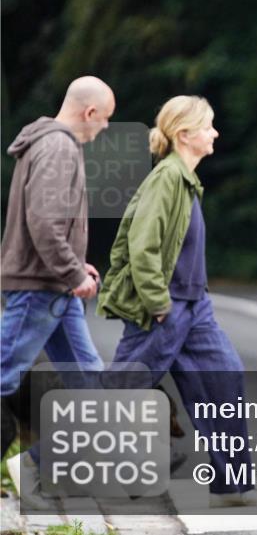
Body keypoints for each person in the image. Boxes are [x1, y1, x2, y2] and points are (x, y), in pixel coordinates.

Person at [96, 95, 257, 508]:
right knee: (123, 389)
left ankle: (232, 485)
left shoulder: (187, 180)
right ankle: (40, 466)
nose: (215, 133)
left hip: (196, 308)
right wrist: (159, 304)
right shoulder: (167, 179)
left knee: (225, 376)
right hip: (165, 307)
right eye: (208, 126)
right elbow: (143, 248)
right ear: (184, 134)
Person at [1, 76, 115, 506]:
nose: (103, 129)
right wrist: (73, 273)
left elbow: (50, 224)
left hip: (53, 289)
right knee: (3, 376)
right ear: (89, 113)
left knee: (92, 390)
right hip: (39, 287)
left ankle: (32, 468)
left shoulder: (49, 144)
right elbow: (45, 222)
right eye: (104, 121)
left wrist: (72, 265)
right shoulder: (58, 147)